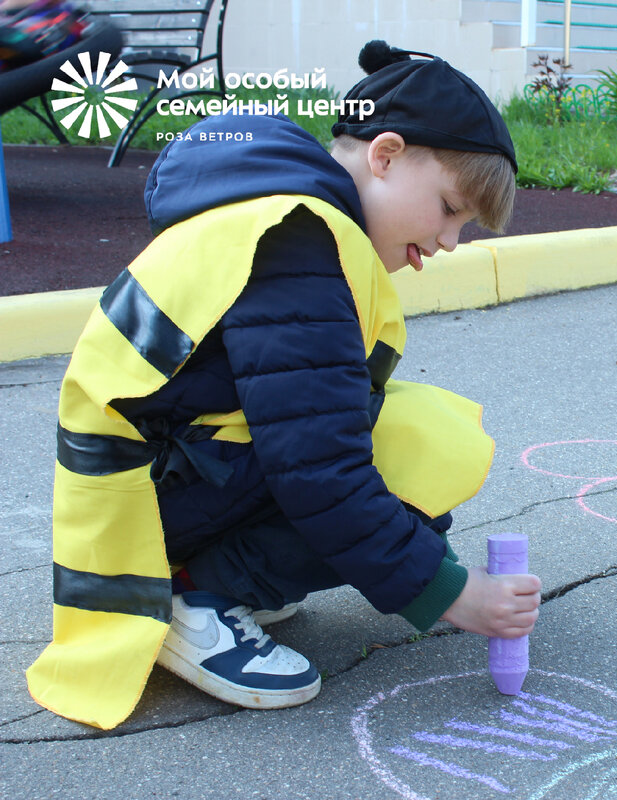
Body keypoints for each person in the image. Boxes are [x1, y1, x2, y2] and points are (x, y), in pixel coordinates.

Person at [26, 41, 541, 730]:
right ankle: (192, 595)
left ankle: (226, 571)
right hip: (142, 514)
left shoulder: (279, 210)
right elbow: (320, 471)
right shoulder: (298, 238)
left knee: (417, 437)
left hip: (158, 479)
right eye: (450, 208)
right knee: (413, 465)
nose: (451, 241)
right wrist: (453, 594)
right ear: (384, 155)